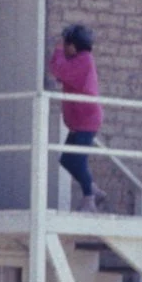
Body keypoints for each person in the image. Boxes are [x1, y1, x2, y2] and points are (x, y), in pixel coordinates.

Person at [48, 24, 103, 209]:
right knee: (67, 159)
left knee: (78, 160)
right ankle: (92, 188)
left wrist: (56, 52)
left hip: (86, 120)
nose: (63, 47)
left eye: (65, 44)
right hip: (78, 121)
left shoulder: (84, 60)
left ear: (74, 45)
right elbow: (61, 72)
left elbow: (58, 69)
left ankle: (89, 198)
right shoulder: (78, 60)